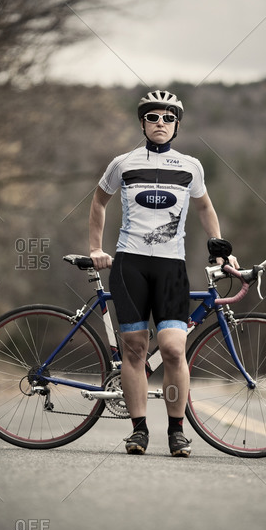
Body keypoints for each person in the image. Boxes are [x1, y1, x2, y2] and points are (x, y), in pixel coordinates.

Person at [89, 89, 238, 457]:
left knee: (173, 350)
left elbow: (205, 208)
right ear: (142, 123)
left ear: (176, 126)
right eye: (153, 117)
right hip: (129, 264)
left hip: (171, 266)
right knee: (136, 349)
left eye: (168, 118)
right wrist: (96, 248)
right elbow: (98, 201)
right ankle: (139, 430)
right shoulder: (122, 163)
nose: (160, 123)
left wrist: (219, 248)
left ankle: (176, 431)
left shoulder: (190, 166)